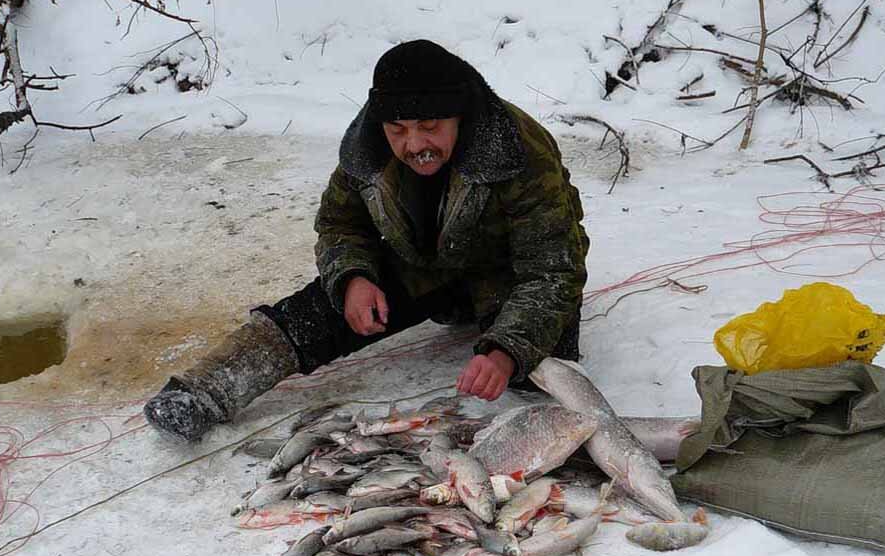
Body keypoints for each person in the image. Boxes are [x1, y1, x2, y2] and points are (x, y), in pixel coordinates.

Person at [144, 39, 589, 441]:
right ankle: (206, 389)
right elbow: (339, 222)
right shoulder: (367, 146)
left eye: (430, 126)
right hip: (423, 263)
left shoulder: (516, 146)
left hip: (506, 273)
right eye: (398, 130)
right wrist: (352, 276)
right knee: (321, 311)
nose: (415, 145)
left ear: (460, 113)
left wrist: (506, 350)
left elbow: (553, 268)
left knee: (540, 370)